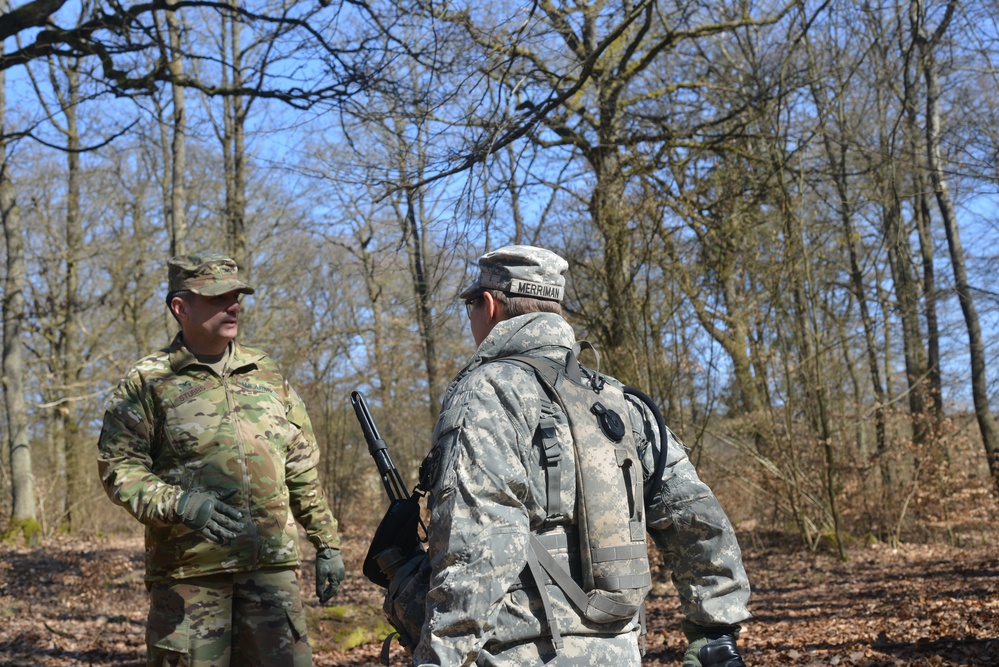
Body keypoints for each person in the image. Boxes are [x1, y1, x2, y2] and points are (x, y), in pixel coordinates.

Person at [395, 245, 751, 666]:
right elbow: (696, 515)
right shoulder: (617, 400)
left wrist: (440, 658)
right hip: (619, 651)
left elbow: (477, 545)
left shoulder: (490, 391)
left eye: (470, 305)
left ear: (488, 305)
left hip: (517, 654)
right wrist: (715, 629)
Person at [97, 253, 345, 667]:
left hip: (271, 574)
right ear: (181, 307)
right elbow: (117, 467)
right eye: (218, 297)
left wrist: (327, 541)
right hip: (190, 577)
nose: (234, 306)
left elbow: (300, 466)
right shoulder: (148, 381)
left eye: (237, 296)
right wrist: (179, 503)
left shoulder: (266, 374)